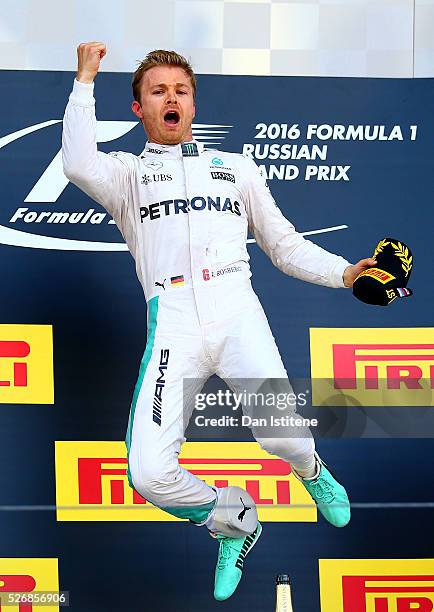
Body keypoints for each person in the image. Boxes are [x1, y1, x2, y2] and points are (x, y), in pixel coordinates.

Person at [62, 42, 376, 602]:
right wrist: (85, 80)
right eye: (158, 91)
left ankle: (311, 472)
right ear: (140, 109)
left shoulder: (235, 169)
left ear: (193, 105)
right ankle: (234, 520)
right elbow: (79, 162)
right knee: (147, 473)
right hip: (173, 321)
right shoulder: (127, 176)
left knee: (285, 435)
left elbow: (284, 246)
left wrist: (347, 273)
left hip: (236, 311)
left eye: (181, 90)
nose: (171, 98)